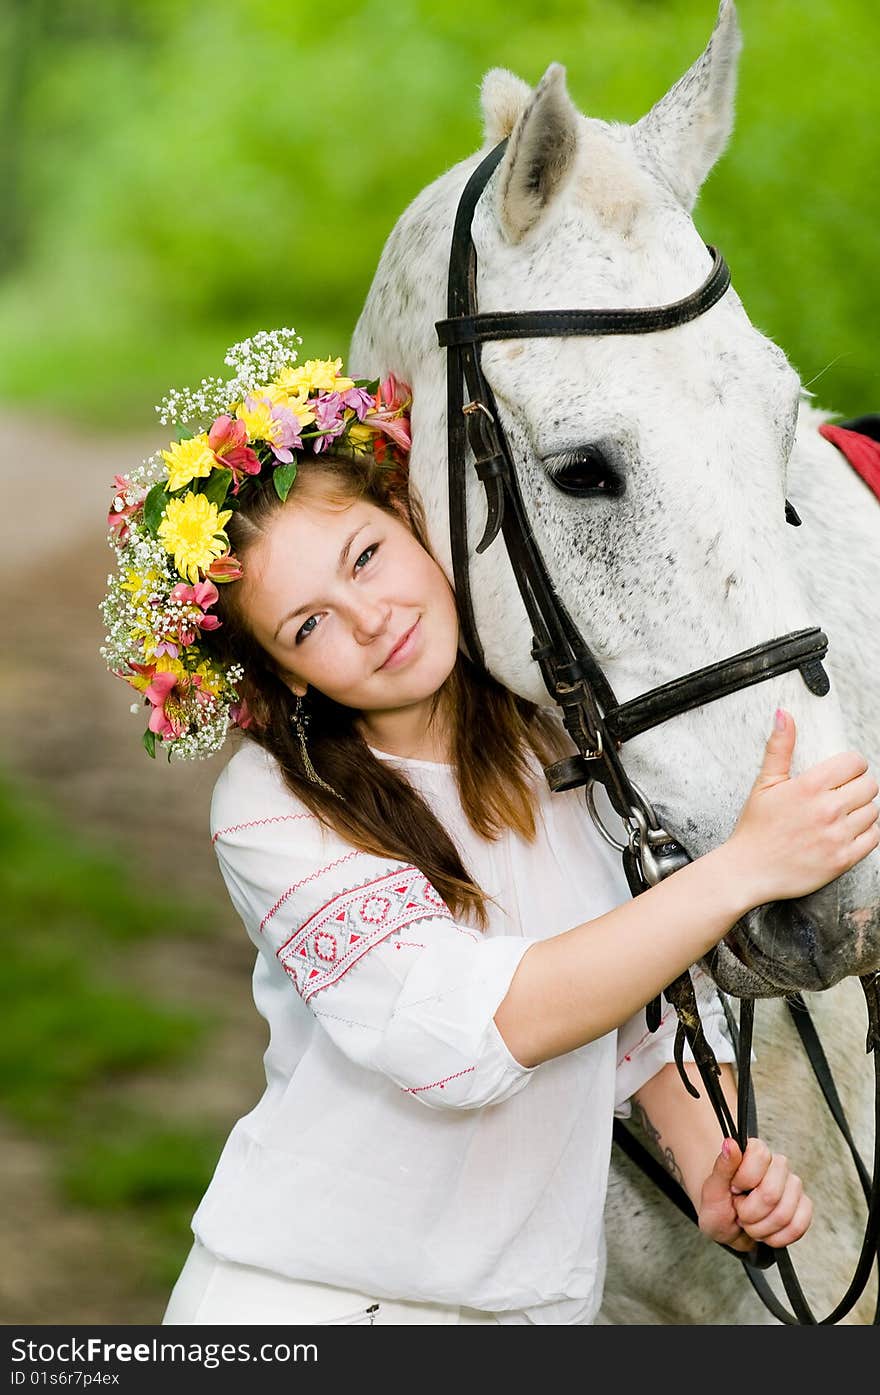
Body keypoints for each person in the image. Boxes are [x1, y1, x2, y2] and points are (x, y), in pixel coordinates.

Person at [100, 333, 879, 1326]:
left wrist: (707, 1167)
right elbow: (470, 1039)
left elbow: (631, 1016)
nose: (371, 618)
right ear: (287, 674)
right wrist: (739, 870)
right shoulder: (274, 805)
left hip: (533, 1316)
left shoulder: (546, 746)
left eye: (368, 557)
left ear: (411, 518)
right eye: (309, 624)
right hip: (317, 1304)